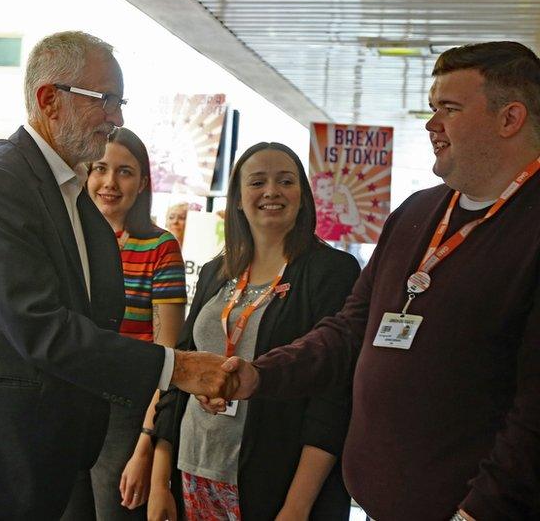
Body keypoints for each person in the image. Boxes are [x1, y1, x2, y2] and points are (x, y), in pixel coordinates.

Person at [0, 30, 235, 520]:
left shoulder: (71, 192)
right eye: (106, 100)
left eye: (120, 101)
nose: (116, 118)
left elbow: (90, 321)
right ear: (50, 99)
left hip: (37, 453)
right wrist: (177, 368)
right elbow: (41, 326)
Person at [216, 41, 540, 520]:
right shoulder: (417, 212)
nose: (432, 125)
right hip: (376, 505)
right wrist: (262, 373)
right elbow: (350, 329)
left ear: (510, 118)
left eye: (449, 109)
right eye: (433, 109)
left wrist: (480, 512)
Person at [148, 142, 359, 521]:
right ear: (239, 200)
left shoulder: (331, 271)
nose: (271, 192)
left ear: (303, 196)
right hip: (194, 467)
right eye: (257, 182)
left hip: (274, 480)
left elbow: (333, 395)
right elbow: (180, 368)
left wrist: (298, 505)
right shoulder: (218, 271)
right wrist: (159, 479)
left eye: (286, 181)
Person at [79, 127, 187, 518]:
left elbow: (169, 358)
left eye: (124, 172)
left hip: (127, 414)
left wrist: (144, 445)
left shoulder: (160, 248)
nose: (109, 182)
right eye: (100, 169)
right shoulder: (70, 242)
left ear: (142, 183)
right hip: (67, 405)